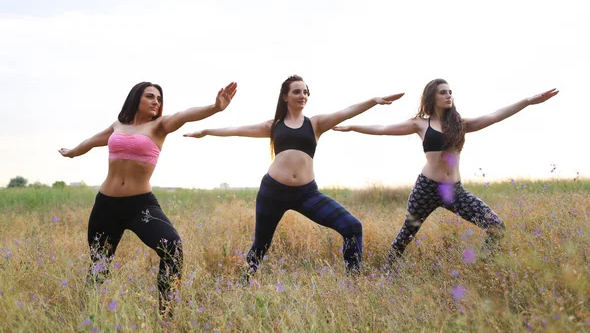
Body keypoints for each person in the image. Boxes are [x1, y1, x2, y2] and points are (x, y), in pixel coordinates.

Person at [184, 75, 403, 276]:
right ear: (285, 96)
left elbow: (347, 111)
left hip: (307, 194)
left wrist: (374, 100)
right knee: (260, 246)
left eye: (306, 92)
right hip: (273, 192)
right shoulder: (273, 126)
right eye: (297, 91)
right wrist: (205, 132)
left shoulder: (315, 124)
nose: (303, 96)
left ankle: (353, 281)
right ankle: (244, 282)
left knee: (352, 227)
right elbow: (236, 129)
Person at [333, 78, 558, 266]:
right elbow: (382, 129)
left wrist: (528, 101)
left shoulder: (461, 123)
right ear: (432, 97)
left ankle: (482, 265)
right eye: (443, 92)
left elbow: (496, 115)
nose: (448, 95)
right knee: (406, 235)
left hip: (454, 191)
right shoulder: (420, 124)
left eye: (450, 92)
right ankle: (388, 273)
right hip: (427, 188)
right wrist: (353, 126)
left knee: (497, 227)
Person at [59, 81, 237, 315]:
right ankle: (87, 314)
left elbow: (185, 115)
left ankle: (166, 314)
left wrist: (215, 107)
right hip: (106, 205)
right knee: (99, 264)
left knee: (172, 247)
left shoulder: (160, 126)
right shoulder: (118, 125)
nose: (156, 102)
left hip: (139, 205)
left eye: (159, 99)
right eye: (150, 97)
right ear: (136, 99)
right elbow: (92, 141)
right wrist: (72, 152)